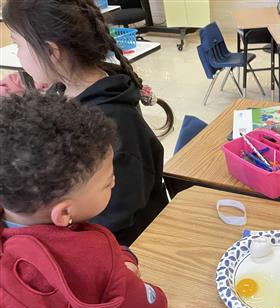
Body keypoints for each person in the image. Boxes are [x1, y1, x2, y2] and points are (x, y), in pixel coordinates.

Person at [0, 92, 168, 308]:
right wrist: (123, 264)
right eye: (107, 183)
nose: (114, 180)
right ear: (64, 214)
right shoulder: (90, 264)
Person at [2, 0, 173, 246]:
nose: (17, 55)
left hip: (128, 248)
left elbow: (116, 222)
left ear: (51, 51)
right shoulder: (62, 92)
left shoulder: (114, 123)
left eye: (18, 44)